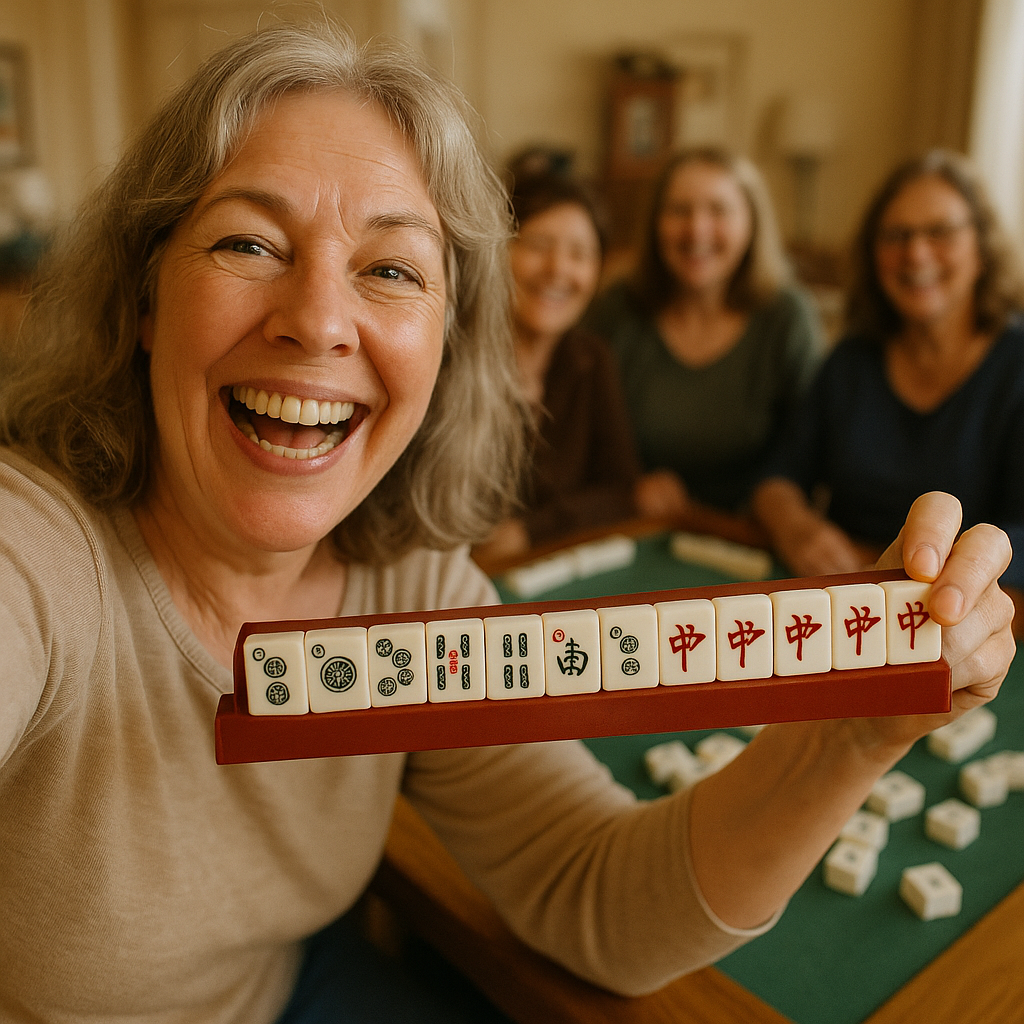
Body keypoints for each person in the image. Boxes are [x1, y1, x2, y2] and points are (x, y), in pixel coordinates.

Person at [0, 24, 1014, 1024]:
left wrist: (847, 734)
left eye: (391, 268)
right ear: (143, 296)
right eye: (246, 242)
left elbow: (599, 895)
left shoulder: (414, 581)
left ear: (444, 341)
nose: (316, 318)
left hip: (288, 982)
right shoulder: (37, 551)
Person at [753, 150, 1024, 589]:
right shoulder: (851, 359)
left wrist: (924, 569)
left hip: (965, 606)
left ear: (982, 248)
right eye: (896, 236)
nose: (915, 253)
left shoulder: (1016, 366)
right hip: (849, 592)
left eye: (940, 232)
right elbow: (776, 480)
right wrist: (800, 529)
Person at [586, 147, 823, 517]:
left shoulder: (787, 317)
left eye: (718, 210)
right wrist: (630, 484)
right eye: (679, 210)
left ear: (751, 223)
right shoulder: (617, 310)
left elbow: (807, 453)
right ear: (655, 223)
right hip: (637, 526)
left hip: (753, 534)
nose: (697, 229)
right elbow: (588, 436)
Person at [474, 171, 643, 563]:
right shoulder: (449, 358)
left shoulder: (592, 359)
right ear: (497, 248)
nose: (557, 270)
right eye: (538, 245)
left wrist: (529, 532)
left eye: (579, 254)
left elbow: (622, 492)